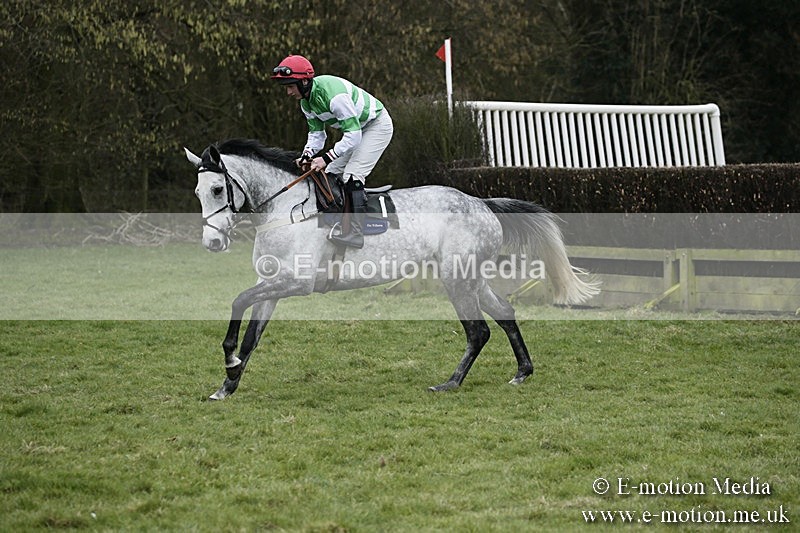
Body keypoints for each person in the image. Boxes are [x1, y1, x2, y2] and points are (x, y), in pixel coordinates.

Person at [271, 54, 394, 249]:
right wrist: (308, 154)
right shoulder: (306, 102)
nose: (288, 92)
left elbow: (353, 135)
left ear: (304, 82)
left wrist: (326, 158)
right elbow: (317, 135)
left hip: (376, 126)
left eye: (290, 86)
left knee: (353, 175)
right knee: (327, 174)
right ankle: (337, 222)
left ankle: (356, 232)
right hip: (358, 131)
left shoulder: (334, 97)